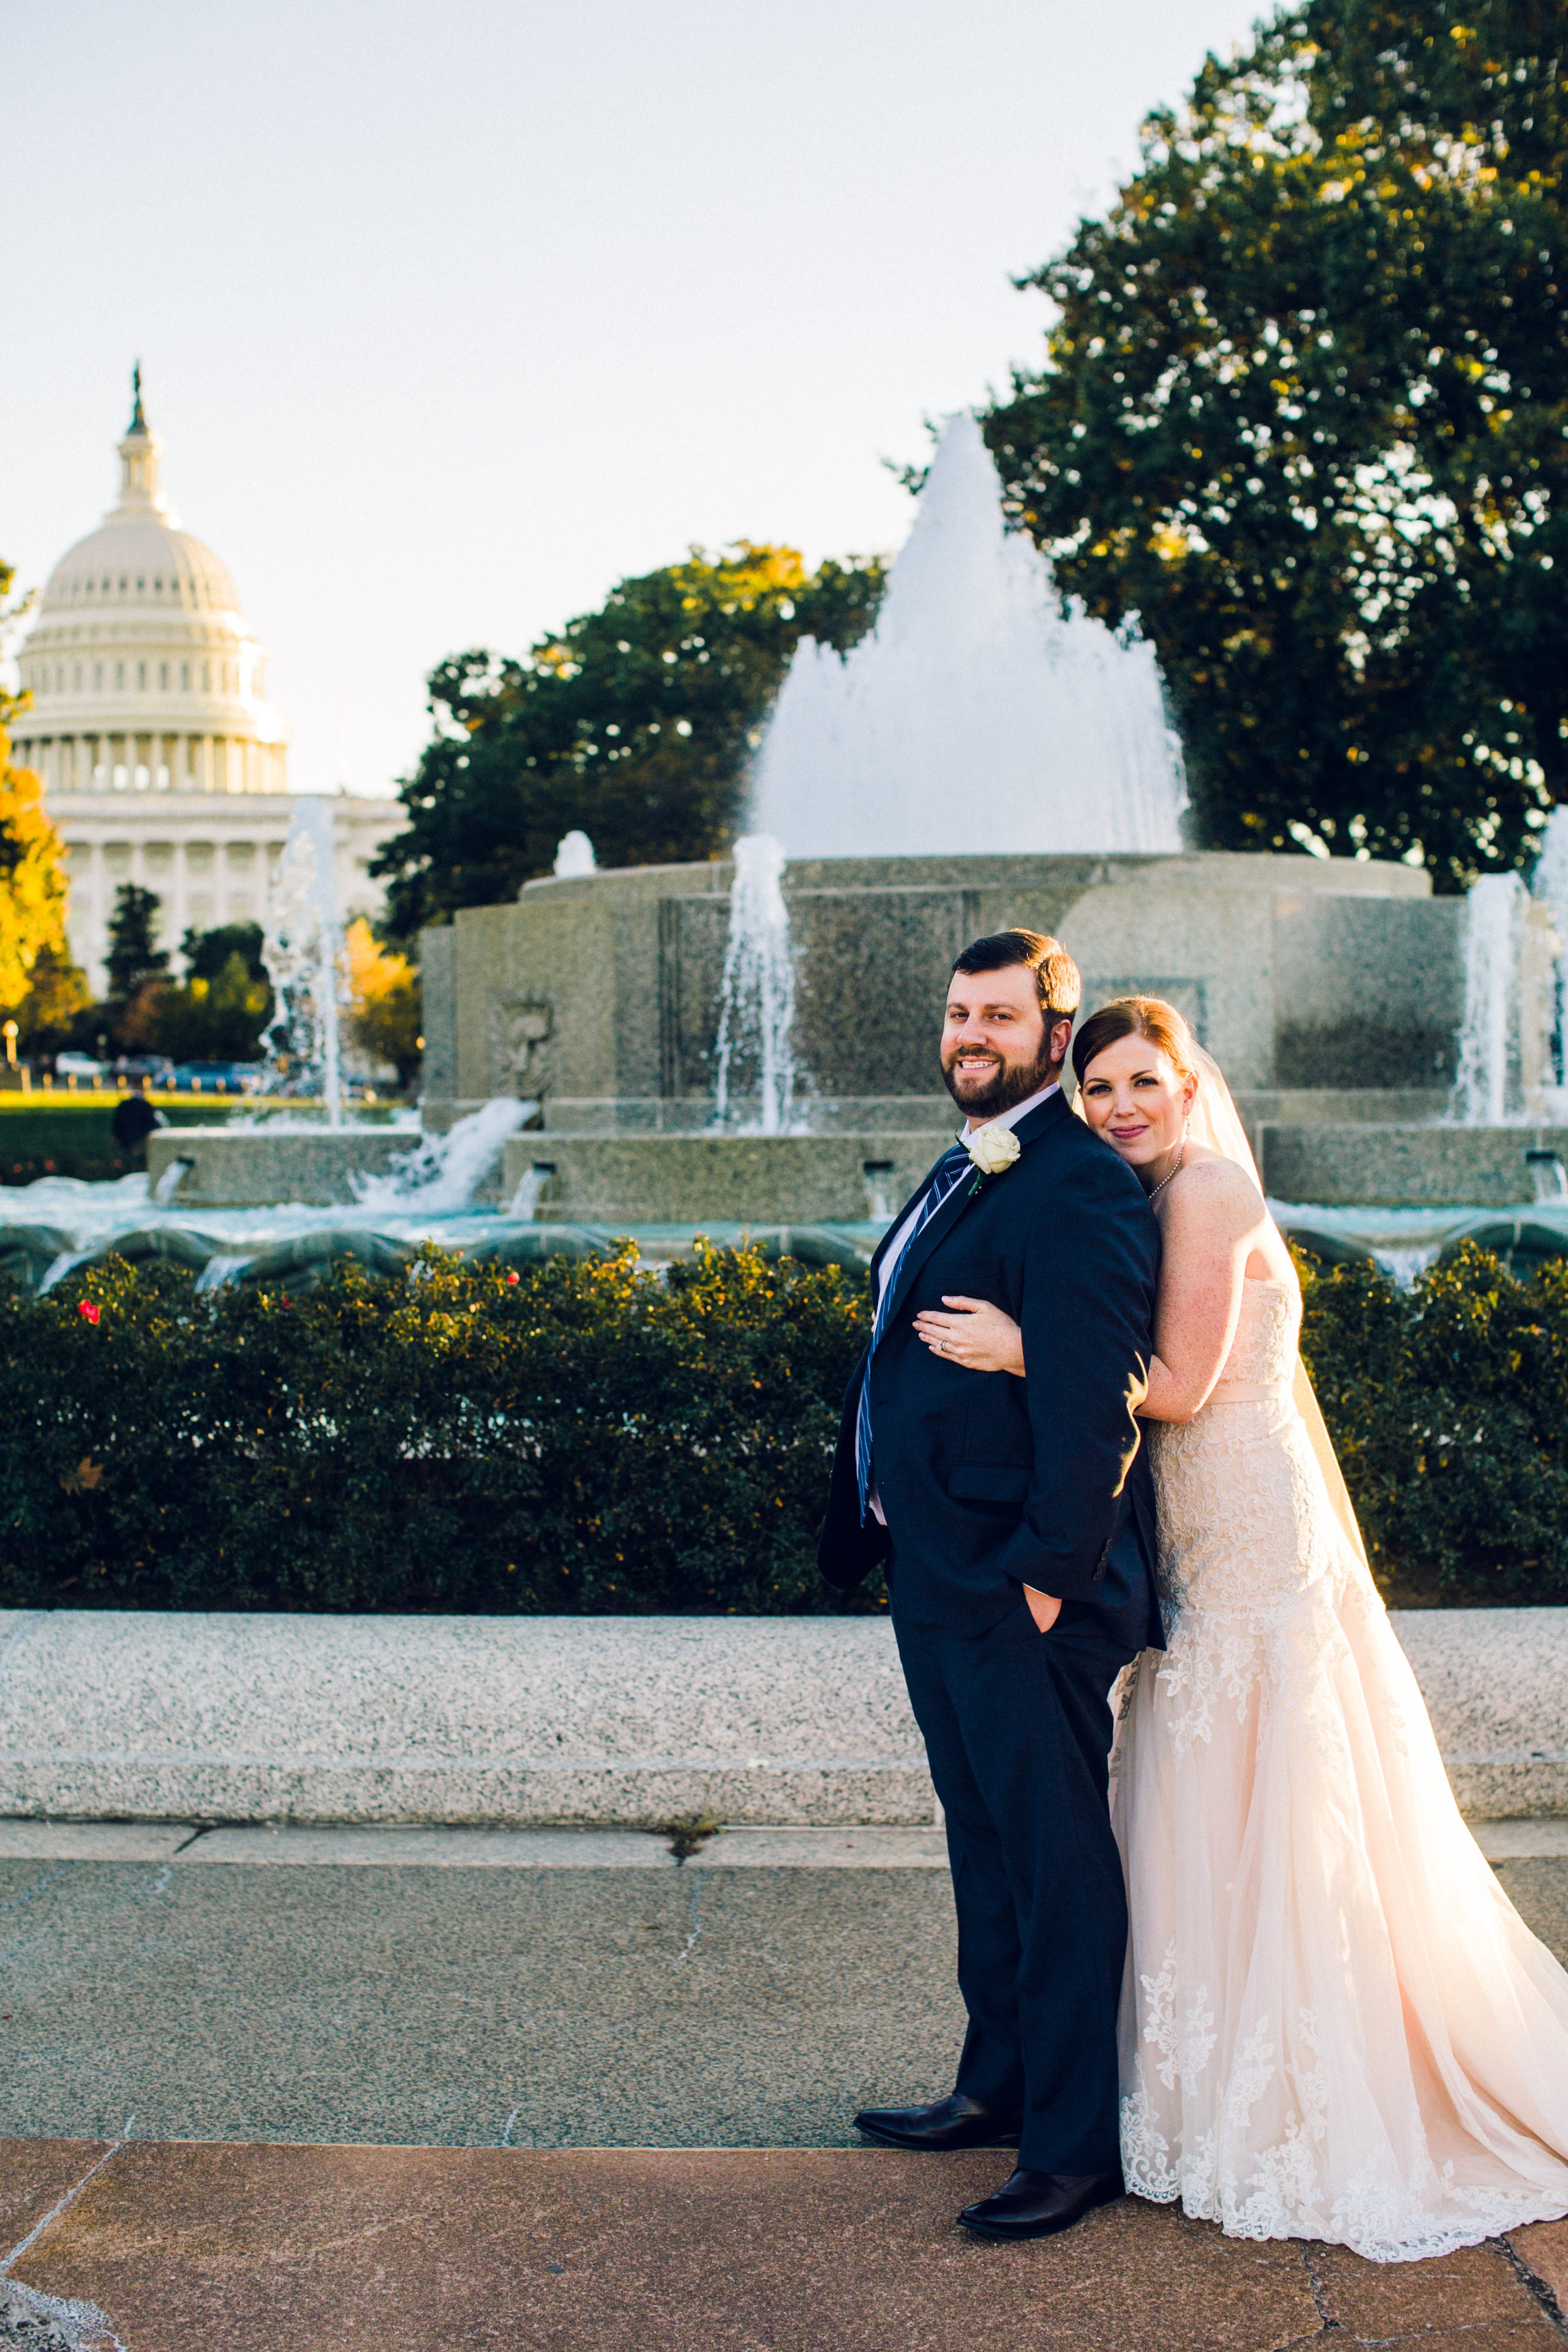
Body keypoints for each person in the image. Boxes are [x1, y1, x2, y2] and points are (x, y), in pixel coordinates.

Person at [916, 994, 1568, 2261]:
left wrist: (1013, 1348)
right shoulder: (1133, 1191)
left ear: (1185, 1082)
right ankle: (1214, 2077)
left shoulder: (1205, 1190)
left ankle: (1315, 2087)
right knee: (1206, 1810)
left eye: (1138, 1084)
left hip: (1253, 1542)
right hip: (1193, 1539)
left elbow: (1179, 1384)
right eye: (1097, 1087)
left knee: (1282, 1801)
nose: (1116, 1108)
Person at [817, 929, 1163, 2243]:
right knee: (984, 1842)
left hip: (1021, 1588)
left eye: (998, 1015)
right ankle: (995, 2082)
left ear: (1053, 1033)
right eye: (957, 1011)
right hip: (936, 1568)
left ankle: (1072, 2149)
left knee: (1057, 1864)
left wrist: (1041, 1582)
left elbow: (1096, 1408)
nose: (970, 1032)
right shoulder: (968, 1161)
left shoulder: (1073, 1177)